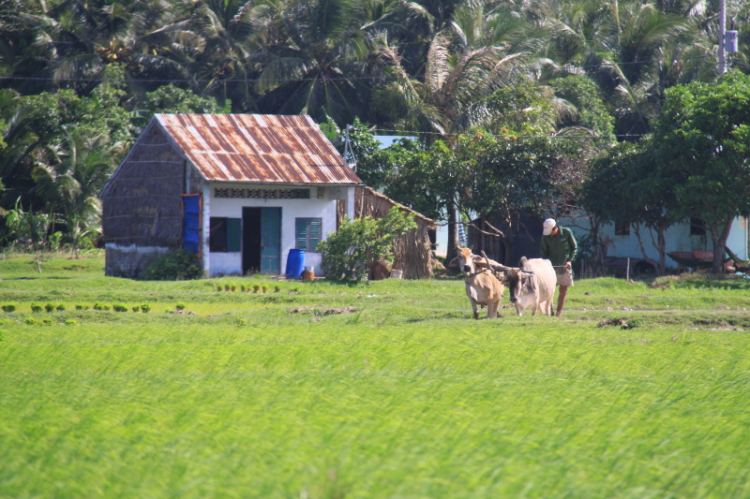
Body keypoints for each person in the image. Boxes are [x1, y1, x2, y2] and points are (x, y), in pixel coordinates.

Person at [540, 218, 577, 317]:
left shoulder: (566, 232)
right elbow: (543, 252)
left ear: (555, 228)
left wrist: (569, 260)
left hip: (565, 266)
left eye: (551, 232)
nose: (550, 234)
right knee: (550, 290)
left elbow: (574, 248)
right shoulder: (545, 237)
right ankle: (550, 310)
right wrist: (543, 264)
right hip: (551, 267)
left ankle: (558, 313)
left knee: (563, 291)